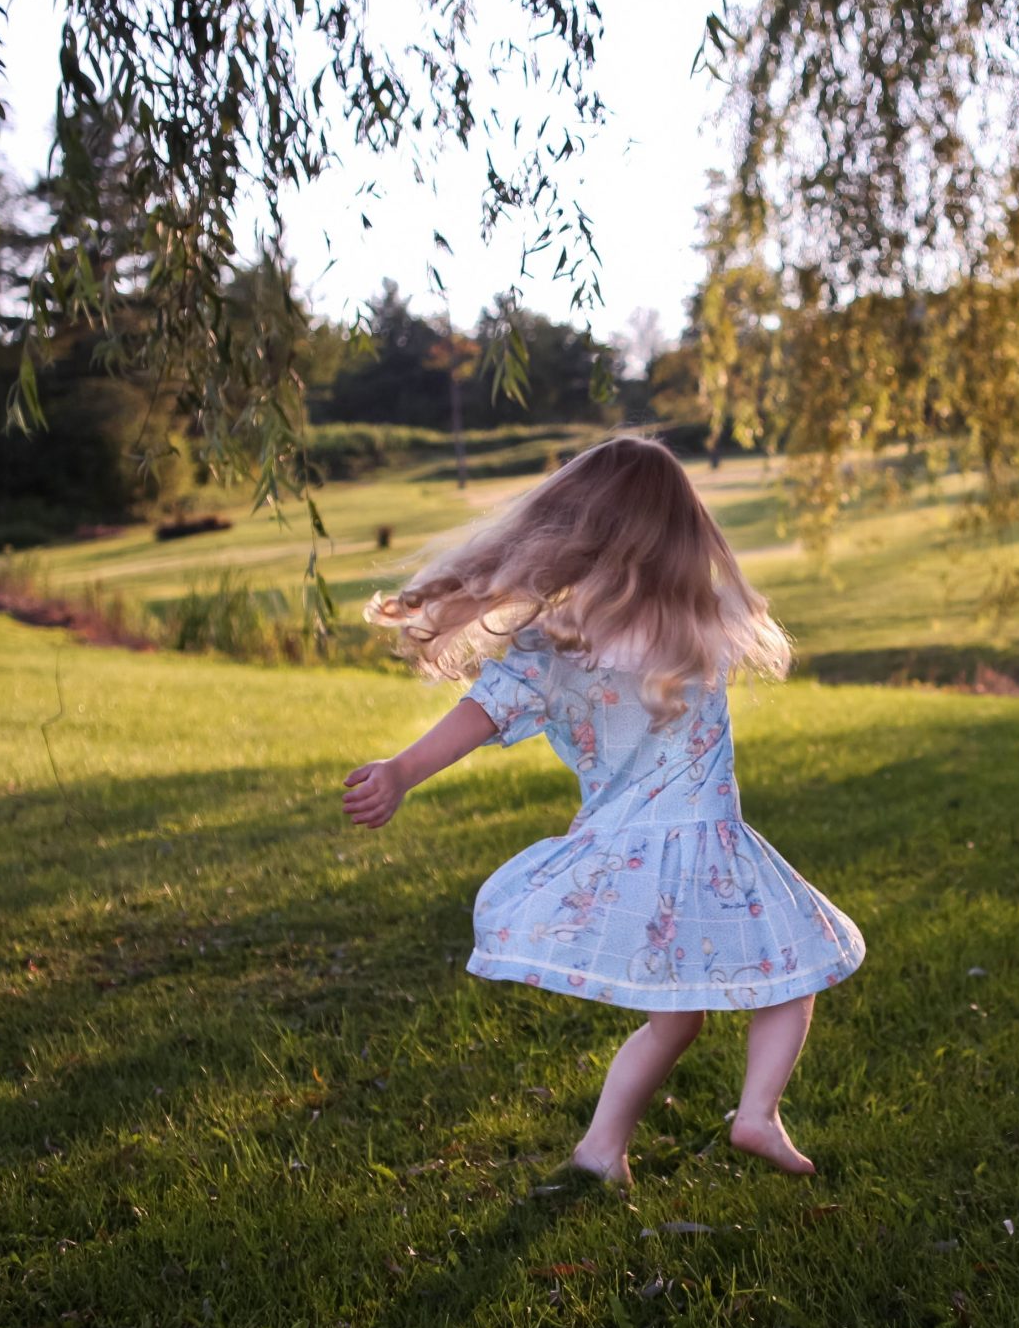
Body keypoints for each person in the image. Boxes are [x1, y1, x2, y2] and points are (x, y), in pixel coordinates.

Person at [339, 436, 865, 1183]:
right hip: (711, 847)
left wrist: (402, 771)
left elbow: (480, 713)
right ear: (683, 532)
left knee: (675, 1018)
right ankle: (755, 1114)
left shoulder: (556, 646)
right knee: (796, 970)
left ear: (572, 534)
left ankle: (601, 1148)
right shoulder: (704, 624)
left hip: (622, 851)